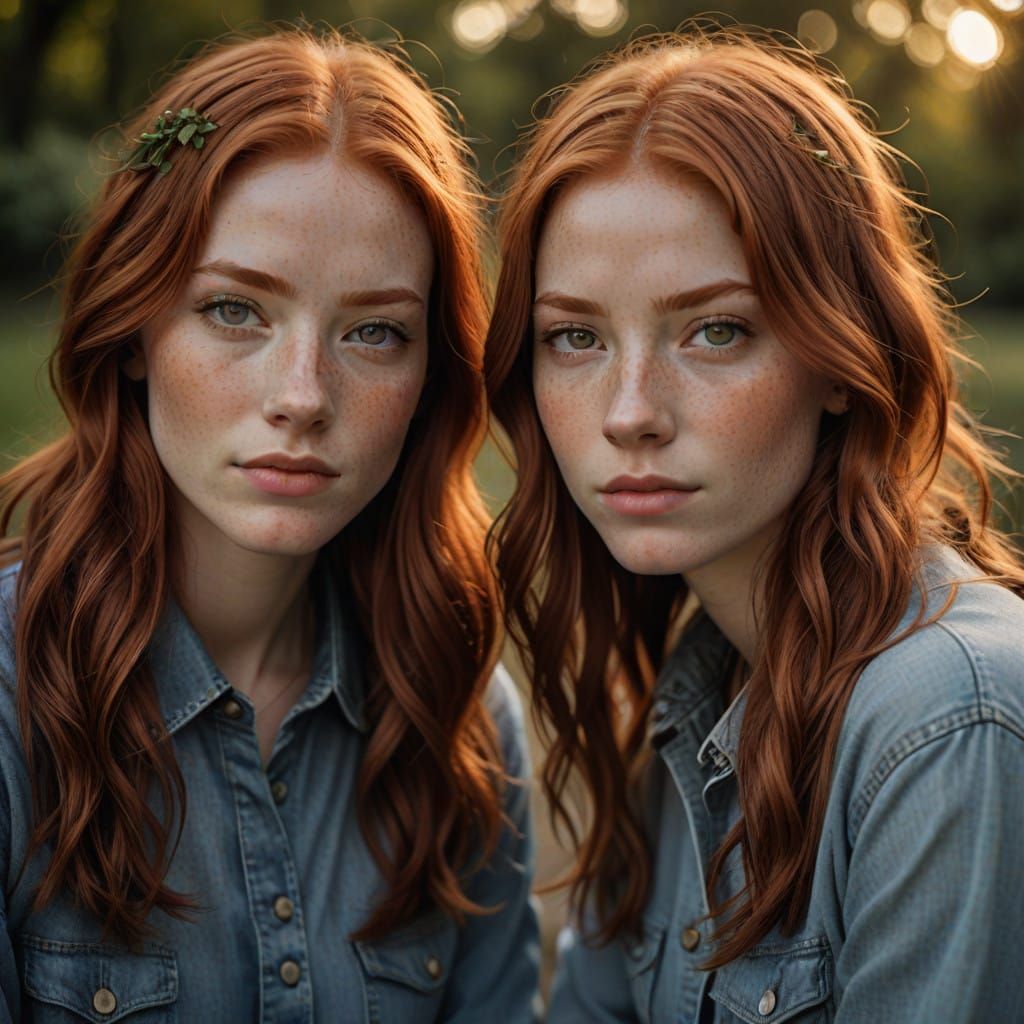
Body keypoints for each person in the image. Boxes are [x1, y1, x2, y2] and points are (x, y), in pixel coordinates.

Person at [485, 23, 1024, 1024]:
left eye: (715, 329)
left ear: (839, 354)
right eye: (574, 337)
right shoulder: (690, 697)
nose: (629, 410)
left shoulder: (947, 715)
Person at [0, 29, 539, 1023]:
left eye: (373, 330)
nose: (302, 395)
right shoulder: (6, 693)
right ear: (131, 333)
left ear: (430, 380)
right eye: (236, 309)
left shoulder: (458, 709)